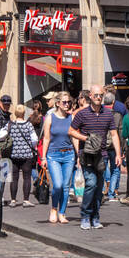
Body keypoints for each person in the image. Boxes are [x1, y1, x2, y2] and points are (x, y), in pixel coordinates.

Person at [69, 84, 122, 231]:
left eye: (101, 95)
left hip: (102, 155)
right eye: (96, 95)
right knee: (91, 183)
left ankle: (95, 216)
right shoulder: (82, 114)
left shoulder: (108, 114)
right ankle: (85, 215)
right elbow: (71, 131)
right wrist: (86, 139)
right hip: (86, 155)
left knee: (99, 188)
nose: (98, 98)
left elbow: (114, 134)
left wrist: (118, 154)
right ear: (90, 96)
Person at [41, 91, 78, 224]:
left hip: (69, 154)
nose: (67, 104)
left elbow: (74, 137)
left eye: (69, 102)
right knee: (58, 185)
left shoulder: (71, 118)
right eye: (64, 102)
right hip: (53, 155)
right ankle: (53, 208)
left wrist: (78, 154)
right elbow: (46, 138)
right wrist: (43, 157)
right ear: (58, 103)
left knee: (66, 186)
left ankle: (62, 213)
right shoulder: (50, 118)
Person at [7, 104, 38, 207]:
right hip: (26, 154)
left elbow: (1, 135)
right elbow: (34, 139)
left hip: (14, 154)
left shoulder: (10, 124)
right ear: (24, 113)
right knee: (27, 177)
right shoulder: (28, 125)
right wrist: (32, 146)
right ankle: (25, 200)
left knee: (14, 177)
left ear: (15, 113)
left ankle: (13, 200)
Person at [102, 90, 122, 202]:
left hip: (103, 146)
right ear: (113, 102)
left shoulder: (100, 113)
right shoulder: (118, 115)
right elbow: (120, 133)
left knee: (103, 168)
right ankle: (111, 194)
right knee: (115, 170)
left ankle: (105, 187)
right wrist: (122, 149)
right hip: (114, 147)